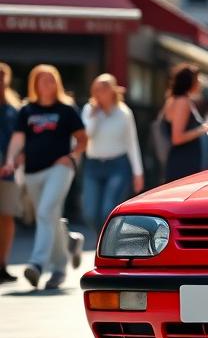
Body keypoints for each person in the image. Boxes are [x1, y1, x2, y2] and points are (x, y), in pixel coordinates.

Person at [1, 64, 86, 289]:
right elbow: (18, 139)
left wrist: (72, 156)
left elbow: (82, 138)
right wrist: (11, 160)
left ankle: (38, 264)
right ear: (34, 84)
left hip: (60, 169)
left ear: (57, 83)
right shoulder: (27, 111)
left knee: (45, 212)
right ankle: (64, 256)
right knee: (49, 216)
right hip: (32, 172)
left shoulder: (67, 110)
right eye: (41, 80)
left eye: (50, 80)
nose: (46, 84)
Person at [81, 73, 144, 230]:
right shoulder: (89, 110)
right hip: (93, 166)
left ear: (113, 90)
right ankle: (101, 241)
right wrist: (95, 116)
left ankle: (107, 247)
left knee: (108, 211)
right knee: (90, 213)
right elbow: (87, 136)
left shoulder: (124, 113)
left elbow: (132, 143)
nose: (100, 92)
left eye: (104, 88)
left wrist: (138, 172)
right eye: (97, 89)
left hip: (117, 166)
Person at [160, 63, 208, 183]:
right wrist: (204, 128)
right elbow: (177, 138)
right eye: (198, 79)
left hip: (184, 161)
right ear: (190, 82)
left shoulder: (177, 100)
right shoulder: (182, 102)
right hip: (183, 164)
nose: (200, 83)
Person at [0, 62, 22, 283]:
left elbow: (22, 140)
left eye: (2, 76)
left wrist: (16, 161)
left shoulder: (14, 109)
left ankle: (3, 264)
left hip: (8, 172)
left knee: (6, 217)